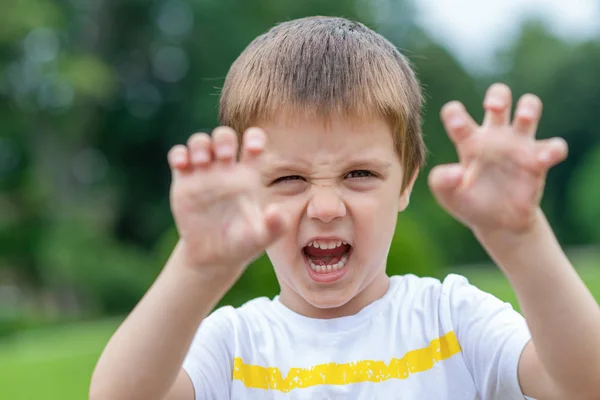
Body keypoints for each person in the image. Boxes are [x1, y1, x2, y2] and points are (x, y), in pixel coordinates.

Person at [89, 16, 600, 400]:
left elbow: (584, 381)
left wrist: (519, 237)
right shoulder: (232, 347)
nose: (327, 207)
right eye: (289, 178)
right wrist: (197, 267)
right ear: (247, 190)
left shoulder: (451, 320)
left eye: (360, 175)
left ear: (405, 183)